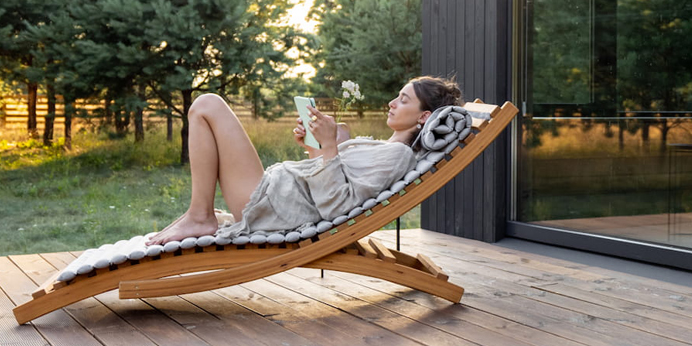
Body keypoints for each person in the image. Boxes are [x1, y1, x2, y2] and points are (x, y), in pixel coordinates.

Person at [147, 76, 463, 245]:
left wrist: (330, 145)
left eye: (403, 100)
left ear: (424, 117)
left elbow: (336, 207)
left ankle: (200, 216)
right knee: (207, 107)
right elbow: (327, 179)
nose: (392, 103)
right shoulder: (382, 147)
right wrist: (316, 146)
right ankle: (198, 214)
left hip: (273, 206)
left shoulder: (398, 155)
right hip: (275, 194)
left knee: (207, 105)